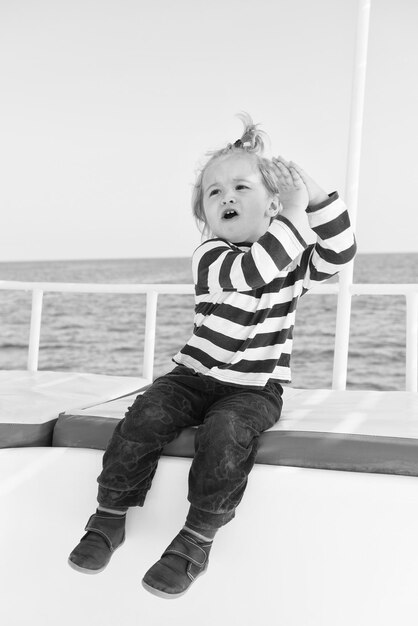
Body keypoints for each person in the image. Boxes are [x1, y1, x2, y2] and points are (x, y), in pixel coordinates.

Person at [68, 113, 356, 598]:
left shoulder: (290, 261)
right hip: (192, 377)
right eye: (214, 192)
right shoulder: (212, 256)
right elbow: (255, 268)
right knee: (146, 415)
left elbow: (340, 252)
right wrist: (292, 213)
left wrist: (312, 193)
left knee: (227, 433)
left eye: (242, 187)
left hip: (255, 390)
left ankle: (197, 539)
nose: (227, 197)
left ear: (271, 206)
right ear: (204, 213)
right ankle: (109, 515)